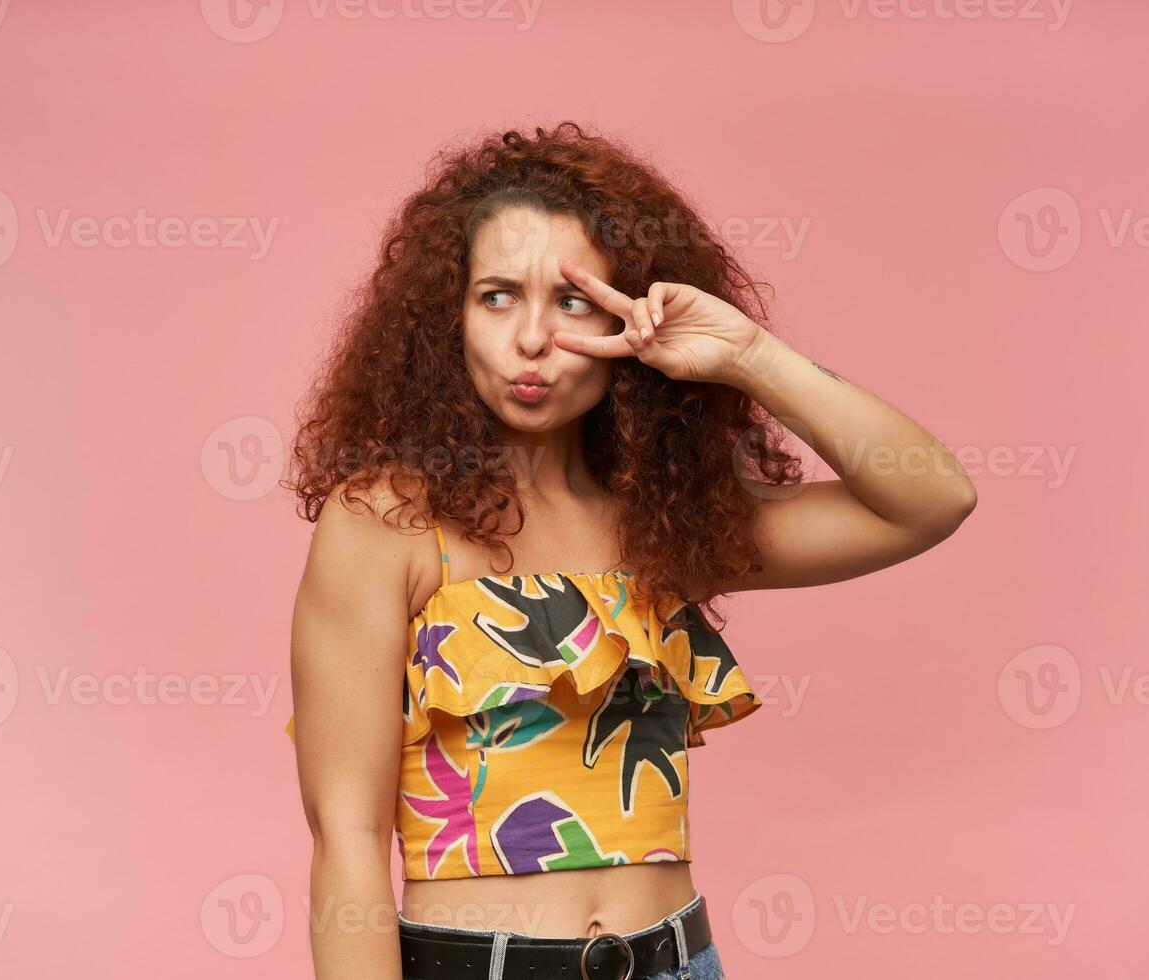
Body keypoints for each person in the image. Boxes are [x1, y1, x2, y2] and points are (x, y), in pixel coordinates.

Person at [283, 121, 977, 980]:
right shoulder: (384, 521)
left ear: (628, 319)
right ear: (445, 317)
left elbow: (930, 500)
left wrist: (747, 355)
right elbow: (345, 839)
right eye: (497, 295)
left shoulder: (662, 525)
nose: (531, 338)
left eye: (572, 300)